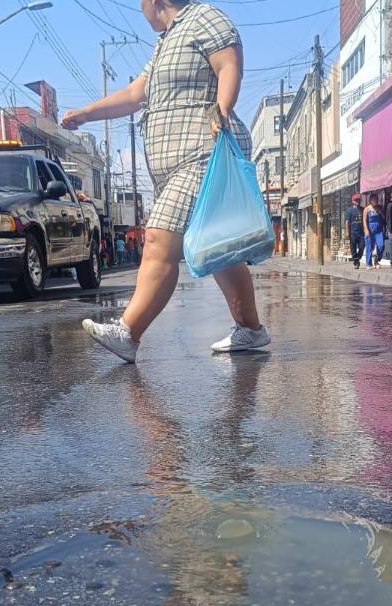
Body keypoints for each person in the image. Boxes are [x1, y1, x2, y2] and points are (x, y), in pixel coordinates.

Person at [61, 0, 267, 363]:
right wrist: (86, 114)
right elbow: (133, 95)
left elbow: (228, 64)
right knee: (220, 248)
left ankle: (128, 332)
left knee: (158, 238)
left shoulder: (204, 17)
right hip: (173, 166)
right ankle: (251, 329)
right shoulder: (166, 43)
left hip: (203, 152)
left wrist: (221, 108)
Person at [363, 195, 386, 268]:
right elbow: (364, 220)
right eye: (374, 199)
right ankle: (369, 264)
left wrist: (380, 212)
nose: (376, 201)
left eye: (376, 199)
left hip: (378, 229)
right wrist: (366, 230)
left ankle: (377, 260)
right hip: (370, 229)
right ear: (370, 200)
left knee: (381, 245)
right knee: (369, 247)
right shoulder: (367, 209)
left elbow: (384, 217)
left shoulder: (379, 208)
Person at [344, 194, 364, 267]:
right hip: (353, 233)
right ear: (353, 201)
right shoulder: (350, 210)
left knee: (362, 247)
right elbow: (347, 222)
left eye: (359, 200)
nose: (357, 201)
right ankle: (356, 261)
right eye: (356, 200)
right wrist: (347, 232)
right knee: (353, 248)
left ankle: (358, 257)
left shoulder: (362, 209)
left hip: (361, 233)